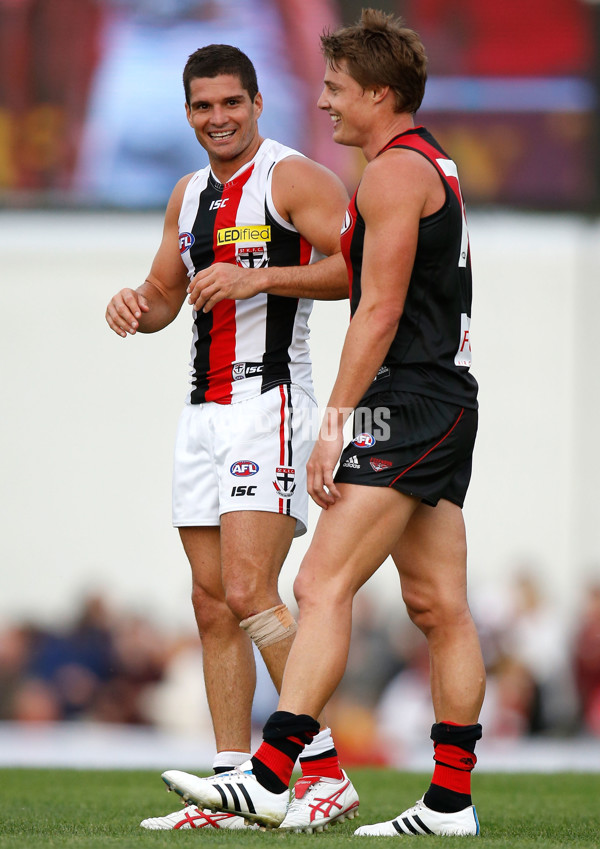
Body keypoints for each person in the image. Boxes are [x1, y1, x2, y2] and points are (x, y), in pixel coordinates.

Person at [162, 9, 486, 837]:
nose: (328, 103)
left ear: (380, 93)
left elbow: (375, 309)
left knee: (315, 584)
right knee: (437, 603)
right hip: (439, 397)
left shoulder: (387, 175)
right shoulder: (431, 163)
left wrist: (337, 420)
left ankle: (278, 773)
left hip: (405, 400)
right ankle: (450, 800)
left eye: (338, 89)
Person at [105, 43, 360, 831]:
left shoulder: (292, 178)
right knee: (213, 604)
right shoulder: (187, 196)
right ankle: (232, 786)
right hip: (202, 411)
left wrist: (260, 276)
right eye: (203, 106)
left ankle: (321, 772)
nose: (217, 118)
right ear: (186, 112)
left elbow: (363, 267)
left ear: (256, 104)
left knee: (252, 591)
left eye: (231, 103)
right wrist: (132, 307)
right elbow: (164, 295)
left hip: (269, 403)